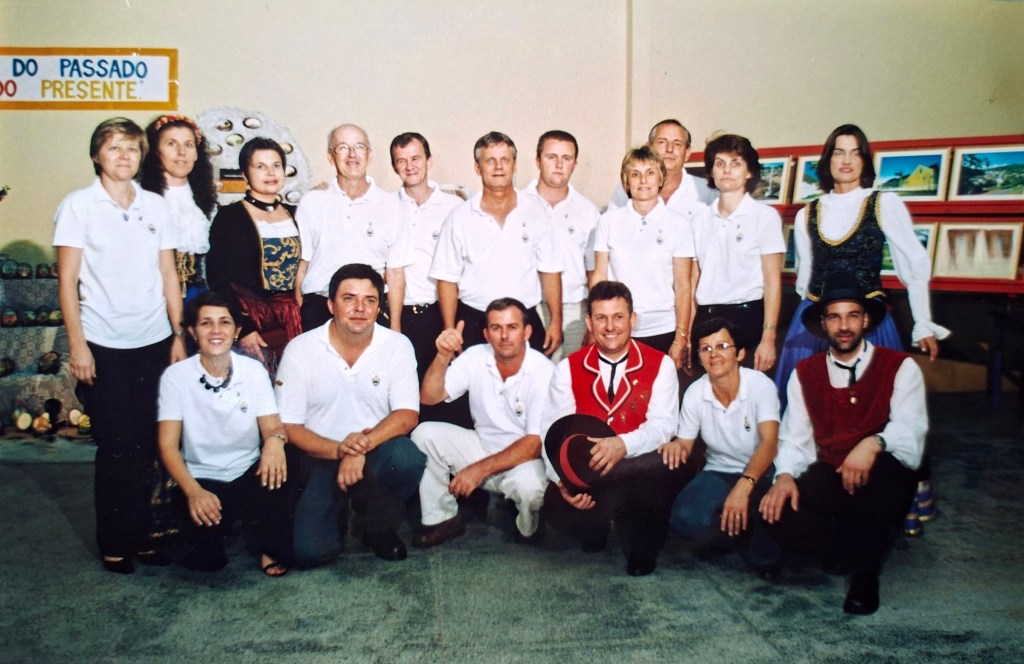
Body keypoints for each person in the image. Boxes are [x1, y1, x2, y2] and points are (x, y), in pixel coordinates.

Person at [54, 117, 187, 574]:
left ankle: (142, 537)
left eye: (131, 149)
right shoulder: (78, 206)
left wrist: (177, 335)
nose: (124, 157)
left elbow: (168, 274)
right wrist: (78, 346)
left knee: (149, 444)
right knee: (117, 446)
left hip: (154, 341)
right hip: (103, 344)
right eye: (114, 148)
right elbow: (67, 282)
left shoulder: (156, 206)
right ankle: (114, 542)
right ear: (97, 155)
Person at [759, 275, 927, 615]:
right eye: (834, 317)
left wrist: (873, 443)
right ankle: (843, 543)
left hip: (881, 472)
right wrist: (785, 476)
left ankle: (865, 578)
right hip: (832, 471)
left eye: (852, 315)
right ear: (823, 324)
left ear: (865, 321)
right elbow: (795, 437)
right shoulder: (805, 372)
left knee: (887, 476)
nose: (844, 326)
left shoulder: (900, 366)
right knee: (777, 515)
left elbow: (911, 429)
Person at [775, 124, 950, 401]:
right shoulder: (807, 213)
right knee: (810, 400)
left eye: (855, 153)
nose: (846, 160)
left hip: (869, 319)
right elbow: (804, 274)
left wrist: (923, 322)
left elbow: (913, 263)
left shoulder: (883, 203)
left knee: (869, 401)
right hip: (816, 319)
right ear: (828, 160)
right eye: (839, 153)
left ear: (865, 160)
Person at [541, 281, 698, 576]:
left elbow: (663, 426)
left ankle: (642, 548)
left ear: (633, 319)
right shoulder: (567, 368)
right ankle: (596, 525)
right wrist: (564, 482)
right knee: (554, 506)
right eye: (601, 318)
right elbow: (553, 432)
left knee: (660, 465)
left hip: (638, 470)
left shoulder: (661, 364)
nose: (610, 326)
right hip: (591, 473)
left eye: (618, 317)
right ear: (589, 323)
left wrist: (623, 444)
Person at [275, 263, 426, 568]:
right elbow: (289, 426)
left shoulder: (397, 345)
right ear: (331, 305)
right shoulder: (301, 349)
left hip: (375, 451)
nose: (360, 308)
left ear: (379, 307)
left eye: (370, 300)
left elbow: (407, 415)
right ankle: (339, 513)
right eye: (349, 299)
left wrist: (359, 449)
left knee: (407, 457)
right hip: (319, 454)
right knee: (311, 552)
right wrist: (340, 450)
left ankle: (377, 527)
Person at [157, 291, 290, 576]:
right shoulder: (176, 377)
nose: (216, 331)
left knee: (282, 464)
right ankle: (222, 526)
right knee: (207, 562)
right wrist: (193, 492)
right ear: (192, 332)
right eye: (206, 323)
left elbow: (272, 425)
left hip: (248, 472)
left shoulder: (253, 370)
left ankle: (266, 545)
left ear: (237, 330)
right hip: (201, 478)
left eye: (225, 322)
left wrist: (274, 442)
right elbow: (167, 446)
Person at [410, 298, 554, 547]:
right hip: (482, 447)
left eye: (512, 327)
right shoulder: (475, 356)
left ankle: (528, 525)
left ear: (527, 331)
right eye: (496, 328)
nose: (504, 336)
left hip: (525, 460)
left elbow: (534, 443)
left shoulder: (544, 370)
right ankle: (443, 519)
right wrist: (443, 356)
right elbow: (429, 397)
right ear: (486, 334)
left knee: (530, 488)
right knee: (424, 434)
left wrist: (478, 471)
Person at [659, 318, 781, 576]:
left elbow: (770, 443)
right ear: (699, 358)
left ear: (740, 353)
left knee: (767, 557)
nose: (714, 354)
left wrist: (744, 486)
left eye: (722, 346)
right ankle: (736, 530)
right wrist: (675, 447)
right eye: (706, 349)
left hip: (763, 472)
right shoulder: (695, 392)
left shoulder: (760, 385)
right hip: (719, 470)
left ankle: (749, 526)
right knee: (684, 518)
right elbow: (685, 443)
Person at [430, 131, 563, 354]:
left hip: (524, 319)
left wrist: (556, 321)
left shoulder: (535, 211)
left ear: (515, 165)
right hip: (475, 321)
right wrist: (450, 329)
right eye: (490, 160)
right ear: (477, 167)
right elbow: (446, 279)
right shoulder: (459, 217)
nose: (498, 167)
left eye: (505, 160)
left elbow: (550, 271)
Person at [294, 124, 411, 332]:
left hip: (369, 309)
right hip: (319, 307)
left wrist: (395, 326)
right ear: (331, 157)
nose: (352, 155)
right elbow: (304, 264)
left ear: (369, 155)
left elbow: (395, 272)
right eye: (342, 147)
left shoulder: (393, 206)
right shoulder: (312, 202)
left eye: (359, 147)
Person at [591, 147, 694, 368]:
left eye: (650, 173)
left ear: (660, 178)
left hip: (663, 329)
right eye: (635, 174)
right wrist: (595, 325)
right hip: (617, 329)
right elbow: (599, 276)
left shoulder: (679, 224)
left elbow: (683, 285)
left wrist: (681, 336)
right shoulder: (608, 221)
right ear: (626, 182)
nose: (643, 180)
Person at [206, 137, 302, 373]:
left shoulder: (298, 214)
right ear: (245, 174)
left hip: (297, 319)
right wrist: (244, 328)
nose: (270, 172)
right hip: (255, 321)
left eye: (276, 165)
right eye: (260, 166)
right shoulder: (230, 217)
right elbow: (218, 279)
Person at [691, 134, 785, 372]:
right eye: (720, 163)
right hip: (706, 318)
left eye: (735, 163)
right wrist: (688, 334)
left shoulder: (765, 217)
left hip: (748, 318)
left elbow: (772, 282)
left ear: (749, 172)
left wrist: (769, 338)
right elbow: (693, 280)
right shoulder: (699, 219)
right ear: (711, 171)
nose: (727, 170)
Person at [389, 132, 464, 383]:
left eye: (416, 158)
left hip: (443, 312)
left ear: (429, 160)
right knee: (406, 387)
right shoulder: (386, 206)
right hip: (402, 315)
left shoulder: (454, 207)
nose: (409, 166)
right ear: (394, 167)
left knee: (446, 387)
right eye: (401, 161)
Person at [521, 130, 601, 362]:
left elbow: (594, 270)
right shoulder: (518, 205)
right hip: (530, 309)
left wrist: (594, 319)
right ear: (538, 160)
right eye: (551, 157)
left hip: (575, 311)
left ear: (575, 164)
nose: (559, 165)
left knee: (573, 380)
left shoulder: (588, 211)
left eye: (566, 158)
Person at [139, 114, 218, 303]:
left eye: (188, 145)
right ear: (156, 150)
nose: (181, 152)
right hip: (152, 298)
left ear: (196, 154)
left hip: (198, 300)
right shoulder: (140, 201)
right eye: (172, 144)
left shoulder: (207, 203)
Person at [608, 118, 715, 215]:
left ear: (687, 153)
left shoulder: (707, 192)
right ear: (648, 149)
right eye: (662, 142)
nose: (669, 149)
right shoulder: (626, 190)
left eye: (677, 144)